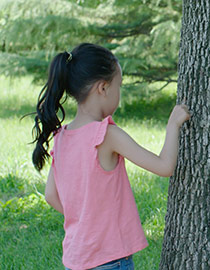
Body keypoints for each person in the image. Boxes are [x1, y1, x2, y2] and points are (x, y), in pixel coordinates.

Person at [30, 43, 190, 270]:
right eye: (119, 86)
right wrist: (173, 124)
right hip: (110, 260)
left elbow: (50, 195)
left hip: (75, 259)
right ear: (103, 88)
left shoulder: (62, 136)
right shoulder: (106, 134)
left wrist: (87, 219)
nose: (119, 93)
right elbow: (165, 167)